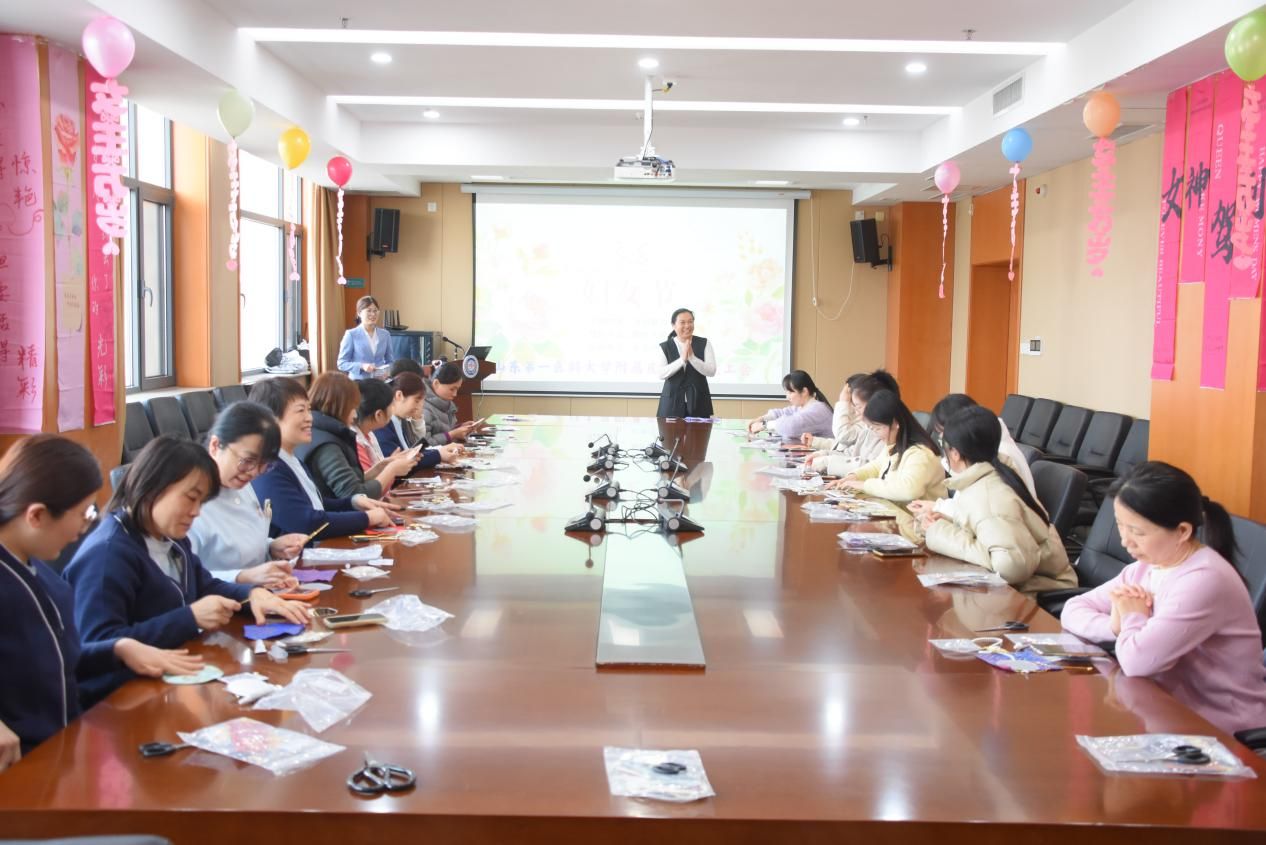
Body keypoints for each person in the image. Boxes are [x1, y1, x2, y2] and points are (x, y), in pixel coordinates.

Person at [0, 436, 204, 771]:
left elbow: (58, 662)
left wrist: (117, 648)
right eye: (83, 513)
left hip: (60, 748)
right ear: (36, 515)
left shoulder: (38, 570)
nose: (87, 525)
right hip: (21, 765)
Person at [64, 437, 310, 703]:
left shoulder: (170, 536)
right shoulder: (107, 556)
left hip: (174, 678)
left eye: (201, 502)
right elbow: (101, 646)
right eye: (190, 498)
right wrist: (189, 618)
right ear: (154, 487)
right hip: (123, 699)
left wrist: (251, 595)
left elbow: (204, 585)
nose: (196, 513)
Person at [1062, 462, 1266, 737]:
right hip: (1162, 712)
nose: (1125, 541)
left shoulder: (1203, 580)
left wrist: (1134, 617)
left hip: (1220, 732)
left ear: (1182, 531)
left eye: (1138, 532)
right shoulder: (1147, 567)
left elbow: (1137, 662)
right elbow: (1074, 608)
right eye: (1120, 526)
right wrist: (1115, 626)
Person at [920, 406, 1076, 594]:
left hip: (1040, 593)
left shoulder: (989, 496)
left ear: (955, 453)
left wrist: (942, 534)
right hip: (1025, 586)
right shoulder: (994, 474)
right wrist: (949, 522)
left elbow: (1011, 567)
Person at [247, 377, 393, 538]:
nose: (309, 417)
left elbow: (316, 503)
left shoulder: (290, 459)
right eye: (300, 410)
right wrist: (367, 518)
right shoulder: (268, 468)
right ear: (270, 419)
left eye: (308, 409)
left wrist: (353, 502)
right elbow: (305, 522)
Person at [188, 401, 307, 588]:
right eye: (248, 460)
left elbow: (242, 539)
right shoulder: (190, 500)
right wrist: (242, 577)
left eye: (264, 465)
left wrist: (270, 546)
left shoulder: (240, 482)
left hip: (261, 593)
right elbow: (183, 578)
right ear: (215, 445)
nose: (253, 472)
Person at [300, 373, 419, 500]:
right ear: (340, 407)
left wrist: (381, 467)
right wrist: (391, 470)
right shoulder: (326, 445)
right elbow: (355, 495)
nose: (355, 415)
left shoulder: (323, 433)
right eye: (353, 408)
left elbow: (353, 482)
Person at [828, 389, 947, 505]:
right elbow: (877, 466)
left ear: (895, 424)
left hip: (917, 517)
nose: (876, 434)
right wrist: (854, 477)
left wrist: (864, 485)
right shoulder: (894, 445)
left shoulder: (921, 453)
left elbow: (909, 490)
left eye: (878, 428)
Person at [927, 393, 1035, 497]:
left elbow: (981, 501)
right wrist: (939, 506)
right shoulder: (986, 447)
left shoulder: (999, 454)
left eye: (945, 433)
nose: (944, 440)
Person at [803, 373, 886, 477]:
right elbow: (850, 453)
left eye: (858, 406)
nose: (856, 411)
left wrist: (827, 461)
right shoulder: (868, 428)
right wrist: (824, 454)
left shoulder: (880, 428)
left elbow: (843, 436)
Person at [656, 308, 716, 418]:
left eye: (690, 322)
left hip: (699, 403)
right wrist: (681, 360)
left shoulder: (704, 343)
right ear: (673, 325)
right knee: (669, 430)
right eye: (682, 322)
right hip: (671, 404)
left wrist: (692, 358)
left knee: (700, 430)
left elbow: (711, 371)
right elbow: (661, 373)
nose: (687, 326)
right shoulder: (665, 346)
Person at [748, 370, 834, 441]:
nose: (787, 397)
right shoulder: (803, 406)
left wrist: (764, 425)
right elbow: (782, 413)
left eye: (790, 392)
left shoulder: (818, 409)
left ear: (804, 391)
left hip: (823, 456)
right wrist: (762, 418)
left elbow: (791, 427)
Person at [375, 372, 436, 456]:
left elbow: (413, 451)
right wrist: (439, 455)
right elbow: (405, 458)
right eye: (416, 401)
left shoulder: (402, 420)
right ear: (399, 395)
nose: (419, 407)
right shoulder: (383, 426)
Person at [423, 362, 484, 443]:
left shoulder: (446, 403)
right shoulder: (423, 407)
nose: (455, 394)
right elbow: (424, 444)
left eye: (457, 389)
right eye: (452, 389)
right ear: (436, 383)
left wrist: (460, 427)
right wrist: (452, 435)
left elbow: (445, 430)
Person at [337, 295, 394, 381]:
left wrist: (387, 372)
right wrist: (361, 366)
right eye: (369, 311)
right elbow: (341, 363)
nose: (373, 314)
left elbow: (390, 361)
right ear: (359, 313)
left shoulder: (385, 334)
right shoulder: (351, 334)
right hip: (359, 383)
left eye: (375, 311)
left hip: (379, 383)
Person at [388, 358, 429, 446]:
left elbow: (417, 445)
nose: (420, 405)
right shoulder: (387, 422)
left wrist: (417, 419)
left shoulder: (401, 416)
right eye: (417, 400)